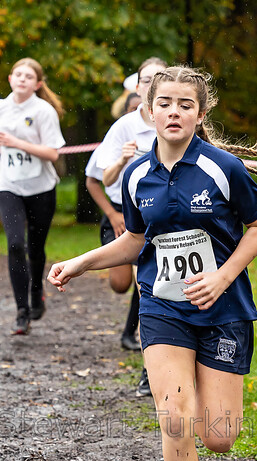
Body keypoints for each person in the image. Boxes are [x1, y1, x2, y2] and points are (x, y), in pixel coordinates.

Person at [48, 66, 257, 461]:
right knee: (174, 417)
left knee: (220, 436)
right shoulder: (138, 175)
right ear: (148, 110)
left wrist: (222, 275)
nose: (174, 112)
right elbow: (135, 239)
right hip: (163, 309)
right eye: (165, 103)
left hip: (222, 307)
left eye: (186, 105)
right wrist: (82, 263)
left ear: (200, 114)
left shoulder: (221, 167)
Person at [0, 58, 66, 335]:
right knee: (15, 244)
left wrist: (18, 143)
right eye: (18, 74)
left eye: (29, 76)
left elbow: (53, 153)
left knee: (35, 248)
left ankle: (37, 289)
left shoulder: (43, 111)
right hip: (8, 184)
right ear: (10, 78)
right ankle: (21, 311)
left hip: (41, 187)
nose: (22, 79)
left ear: (37, 84)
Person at [93, 57, 168, 396]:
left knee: (148, 288)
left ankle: (150, 371)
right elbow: (101, 177)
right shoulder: (123, 127)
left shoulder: (177, 119)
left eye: (158, 79)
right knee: (121, 284)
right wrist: (123, 160)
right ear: (137, 88)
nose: (151, 85)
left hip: (165, 217)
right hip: (126, 213)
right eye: (145, 80)